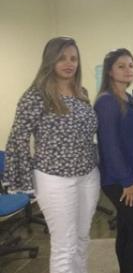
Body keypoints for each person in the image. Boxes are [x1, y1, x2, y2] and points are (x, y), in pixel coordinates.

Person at [5, 37, 100, 273]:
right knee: (64, 246)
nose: (69, 63)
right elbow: (18, 139)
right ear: (50, 61)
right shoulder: (36, 96)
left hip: (88, 175)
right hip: (55, 179)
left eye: (73, 58)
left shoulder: (81, 92)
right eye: (61, 58)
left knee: (81, 239)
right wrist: (23, 180)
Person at [95, 48, 133, 273]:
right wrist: (127, 181)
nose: (128, 70)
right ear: (109, 71)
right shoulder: (107, 101)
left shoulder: (128, 97)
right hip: (119, 179)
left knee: (128, 229)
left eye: (131, 65)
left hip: (130, 176)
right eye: (121, 66)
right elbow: (110, 145)